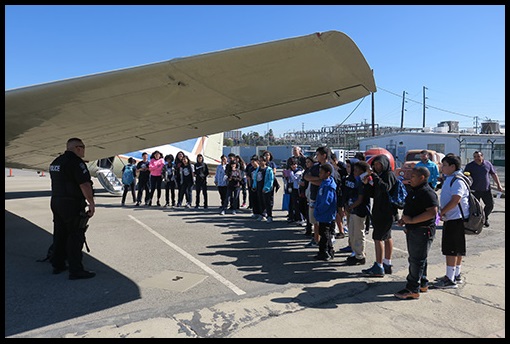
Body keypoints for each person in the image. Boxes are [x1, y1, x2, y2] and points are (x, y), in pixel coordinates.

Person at [49, 138, 96, 280]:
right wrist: (91, 203)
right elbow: (85, 185)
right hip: (71, 203)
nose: (84, 150)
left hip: (56, 201)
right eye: (83, 147)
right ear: (77, 148)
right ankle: (76, 270)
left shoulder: (56, 162)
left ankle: (57, 264)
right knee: (75, 236)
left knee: (59, 234)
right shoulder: (76, 163)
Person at [394, 167, 439, 299]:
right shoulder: (415, 190)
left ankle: (412, 288)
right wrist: (405, 220)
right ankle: (423, 282)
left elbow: (432, 212)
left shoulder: (427, 192)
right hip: (414, 229)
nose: (410, 178)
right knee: (419, 258)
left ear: (422, 178)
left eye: (413, 176)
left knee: (416, 260)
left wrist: (412, 220)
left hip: (423, 230)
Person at [432, 154, 470, 289]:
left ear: (453, 167)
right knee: (457, 248)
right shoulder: (451, 178)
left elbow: (455, 200)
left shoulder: (457, 180)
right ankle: (455, 274)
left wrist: (441, 212)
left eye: (445, 165)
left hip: (455, 218)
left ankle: (450, 279)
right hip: (453, 217)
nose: (442, 167)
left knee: (451, 249)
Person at [361, 154, 398, 277]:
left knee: (378, 238)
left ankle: (379, 265)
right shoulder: (380, 176)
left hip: (386, 211)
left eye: (379, 164)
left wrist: (374, 176)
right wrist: (366, 184)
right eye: (375, 165)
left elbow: (385, 187)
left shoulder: (389, 175)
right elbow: (374, 193)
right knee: (386, 237)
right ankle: (387, 263)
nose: (377, 167)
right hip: (379, 209)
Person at [463, 151, 503, 227]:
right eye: (475, 157)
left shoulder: (488, 164)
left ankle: (484, 218)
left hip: (486, 189)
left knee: (490, 205)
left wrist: (499, 185)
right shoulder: (470, 166)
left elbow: (494, 174)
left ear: (482, 156)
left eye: (478, 156)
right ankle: (476, 222)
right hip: (474, 190)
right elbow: (465, 176)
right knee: (475, 207)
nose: (476, 158)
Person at [343, 160, 371, 266]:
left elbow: (360, 199)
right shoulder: (354, 180)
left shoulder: (363, 182)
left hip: (359, 210)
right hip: (352, 210)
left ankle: (360, 256)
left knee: (359, 233)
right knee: (352, 233)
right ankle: (355, 253)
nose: (354, 172)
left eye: (357, 170)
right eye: (354, 170)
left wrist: (351, 206)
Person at [313, 163, 337, 261]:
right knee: (324, 233)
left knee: (325, 233)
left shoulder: (329, 186)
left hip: (326, 214)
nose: (320, 174)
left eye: (321, 172)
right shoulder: (324, 183)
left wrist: (319, 210)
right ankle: (329, 250)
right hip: (323, 213)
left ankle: (324, 252)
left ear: (328, 173)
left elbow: (327, 202)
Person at [252, 154, 275, 222]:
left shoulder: (268, 170)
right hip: (259, 187)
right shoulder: (258, 169)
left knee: (267, 202)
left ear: (265, 162)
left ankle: (269, 216)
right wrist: (254, 186)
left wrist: (266, 188)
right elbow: (255, 178)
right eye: (260, 161)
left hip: (266, 189)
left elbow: (271, 180)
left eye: (262, 161)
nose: (260, 162)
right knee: (260, 201)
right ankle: (262, 214)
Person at [287, 157, 306, 225]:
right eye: (292, 165)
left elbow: (295, 178)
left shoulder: (299, 171)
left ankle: (301, 218)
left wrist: (290, 173)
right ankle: (293, 217)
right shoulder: (290, 171)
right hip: (292, 189)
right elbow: (288, 179)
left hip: (298, 189)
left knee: (298, 204)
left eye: (295, 164)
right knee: (292, 204)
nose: (293, 166)